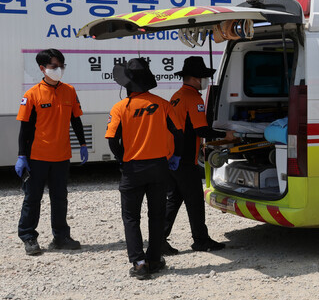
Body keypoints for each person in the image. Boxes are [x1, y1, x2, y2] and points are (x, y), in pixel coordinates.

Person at [106, 58, 184, 280]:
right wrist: (175, 156)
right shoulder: (163, 105)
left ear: (127, 84)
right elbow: (178, 134)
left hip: (133, 169)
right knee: (157, 215)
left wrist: (122, 158)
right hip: (159, 167)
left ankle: (139, 263)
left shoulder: (121, 107)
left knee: (131, 217)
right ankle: (155, 259)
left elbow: (112, 139)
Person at [16, 48, 88, 256]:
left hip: (61, 156)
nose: (58, 69)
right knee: (32, 198)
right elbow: (25, 129)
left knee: (60, 198)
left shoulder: (69, 91)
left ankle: (61, 236)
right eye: (54, 66)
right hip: (37, 157)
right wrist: (22, 155)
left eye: (61, 66)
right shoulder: (32, 95)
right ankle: (28, 236)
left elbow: (76, 119)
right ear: (42, 68)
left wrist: (83, 144)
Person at [162, 56, 233, 255]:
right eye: (203, 77)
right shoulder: (193, 98)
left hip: (172, 156)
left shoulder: (177, 95)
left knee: (174, 199)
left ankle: (159, 239)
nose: (205, 81)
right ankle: (200, 240)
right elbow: (201, 129)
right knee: (194, 200)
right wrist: (225, 135)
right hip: (185, 159)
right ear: (194, 78)